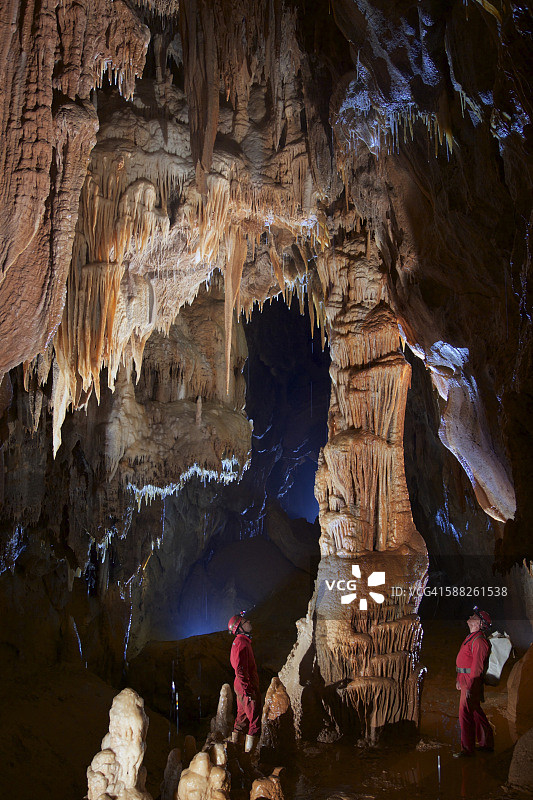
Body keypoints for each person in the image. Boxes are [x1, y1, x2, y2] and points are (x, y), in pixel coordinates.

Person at [453, 606, 494, 758]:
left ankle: (467, 749)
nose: (471, 616)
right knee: (475, 710)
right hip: (465, 678)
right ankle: (486, 743)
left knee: (465, 713)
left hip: (471, 680)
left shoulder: (480, 641)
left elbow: (477, 667)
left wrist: (470, 687)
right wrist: (458, 678)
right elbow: (464, 661)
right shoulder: (471, 637)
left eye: (475, 616)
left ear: (480, 624)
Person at [228, 612, 261, 753]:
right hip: (245, 686)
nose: (249, 622)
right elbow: (239, 669)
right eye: (245, 621)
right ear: (239, 628)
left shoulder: (242, 642)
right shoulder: (241, 643)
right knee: (255, 720)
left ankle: (234, 751)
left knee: (241, 719)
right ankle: (250, 756)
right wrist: (248, 689)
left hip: (242, 686)